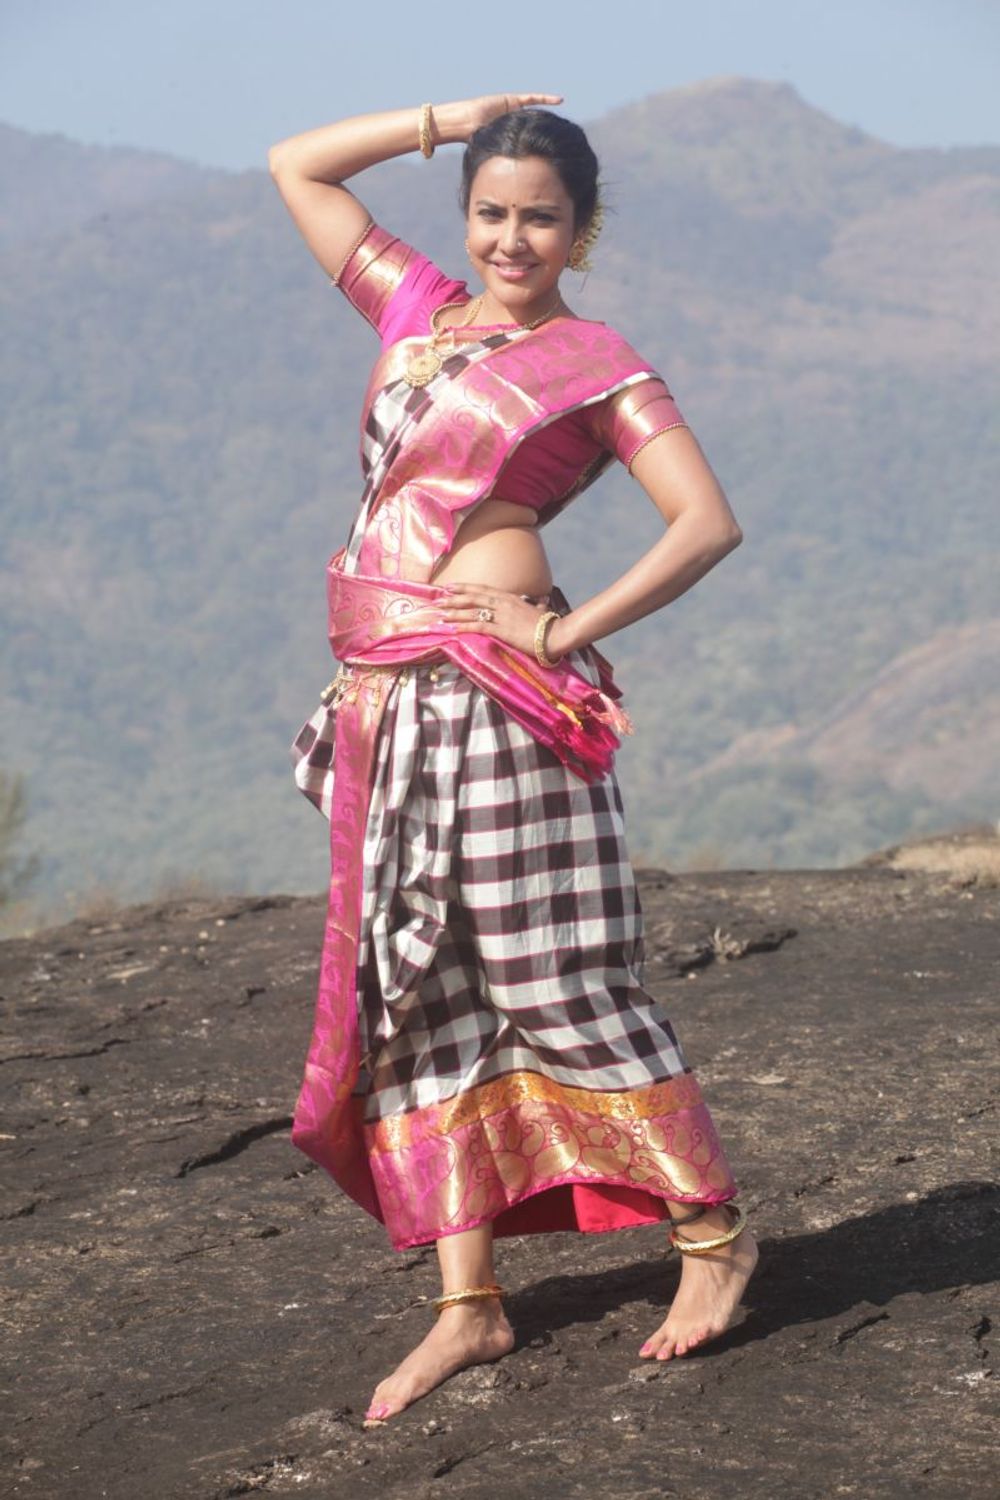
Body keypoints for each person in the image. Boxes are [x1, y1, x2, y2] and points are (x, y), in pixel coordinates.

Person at [268, 92, 757, 1426]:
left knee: (553, 971)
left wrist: (566, 628)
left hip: (506, 694)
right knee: (417, 985)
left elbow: (705, 522)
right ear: (466, 216)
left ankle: (713, 1239)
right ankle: (468, 1303)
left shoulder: (596, 363)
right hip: (390, 694)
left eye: (541, 217)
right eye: (491, 212)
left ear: (580, 230)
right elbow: (296, 165)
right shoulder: (416, 313)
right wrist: (450, 116)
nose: (511, 239)